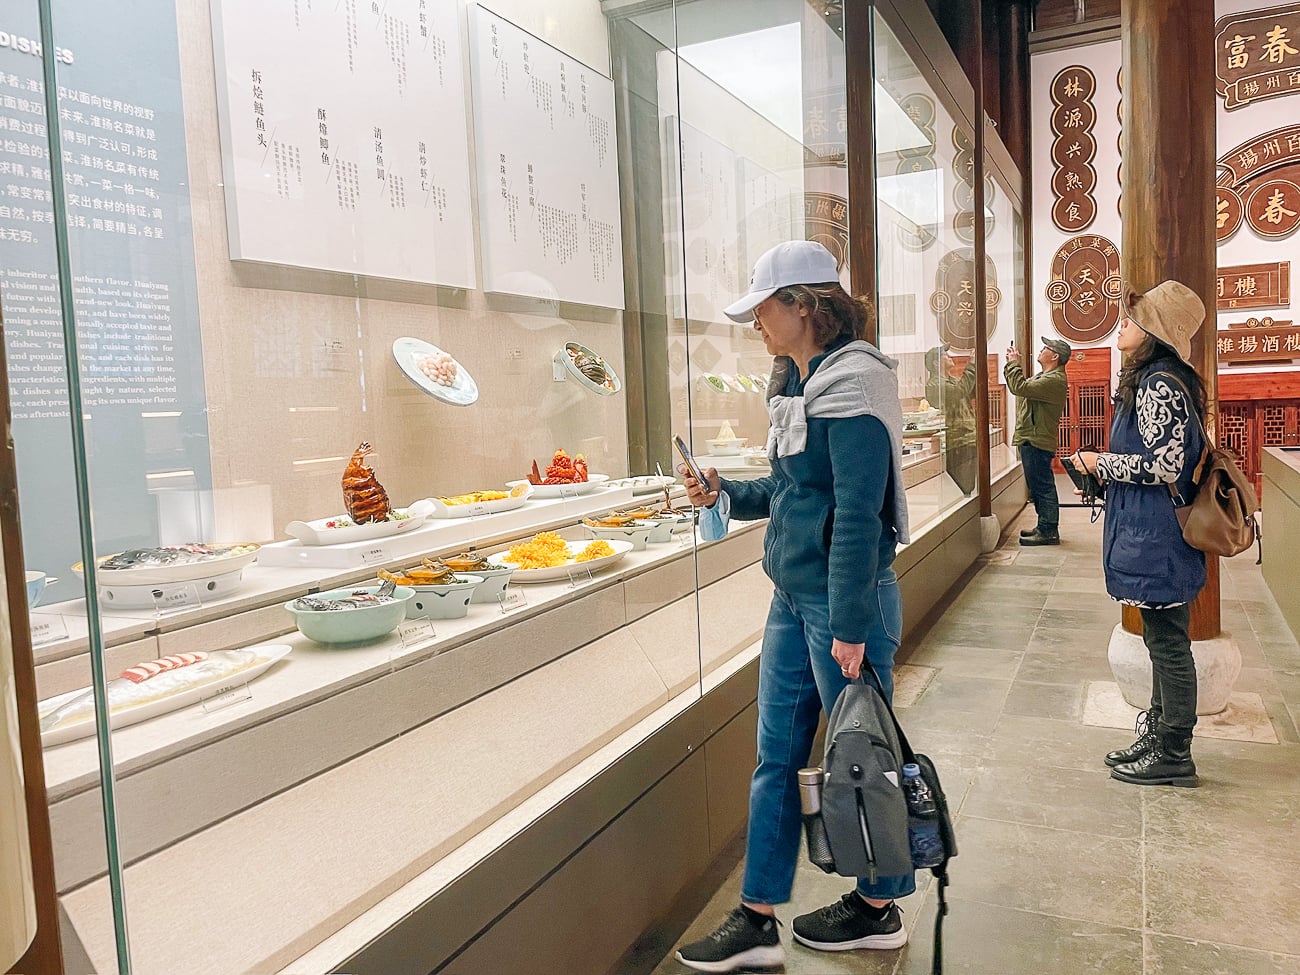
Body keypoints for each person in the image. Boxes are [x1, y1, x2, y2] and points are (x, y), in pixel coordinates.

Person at [673, 240, 913, 973]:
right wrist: (726, 493)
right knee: (774, 758)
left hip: (846, 602)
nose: (756, 325)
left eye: (764, 309)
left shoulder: (854, 384)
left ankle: (879, 905)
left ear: (804, 306)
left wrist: (848, 627)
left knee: (862, 756)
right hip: (794, 598)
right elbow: (794, 495)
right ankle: (757, 914)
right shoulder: (800, 380)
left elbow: (859, 514)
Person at [1069, 281, 1207, 788]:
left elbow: (1165, 463)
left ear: (1155, 332)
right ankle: (1159, 733)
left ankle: (1175, 750)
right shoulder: (1158, 378)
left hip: (1158, 532)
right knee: (1159, 635)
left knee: (1168, 642)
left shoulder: (1160, 383)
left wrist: (1097, 461)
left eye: (1134, 318)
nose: (1122, 324)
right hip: (1149, 527)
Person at [1004, 336, 1070, 545]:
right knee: (1038, 486)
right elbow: (1023, 386)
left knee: (1042, 486)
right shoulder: (1046, 376)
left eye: (1045, 348)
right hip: (1032, 437)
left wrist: (1013, 364)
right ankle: (1044, 526)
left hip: (1037, 440)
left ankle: (1049, 530)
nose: (1041, 351)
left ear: (1055, 356)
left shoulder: (1053, 380)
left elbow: (1019, 387)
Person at [926, 345, 978, 496]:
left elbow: (969, 393)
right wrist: (972, 365)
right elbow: (960, 392)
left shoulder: (953, 380)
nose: (950, 357)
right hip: (956, 441)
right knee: (960, 486)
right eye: (945, 355)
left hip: (967, 437)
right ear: (936, 363)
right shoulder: (935, 385)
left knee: (968, 484)